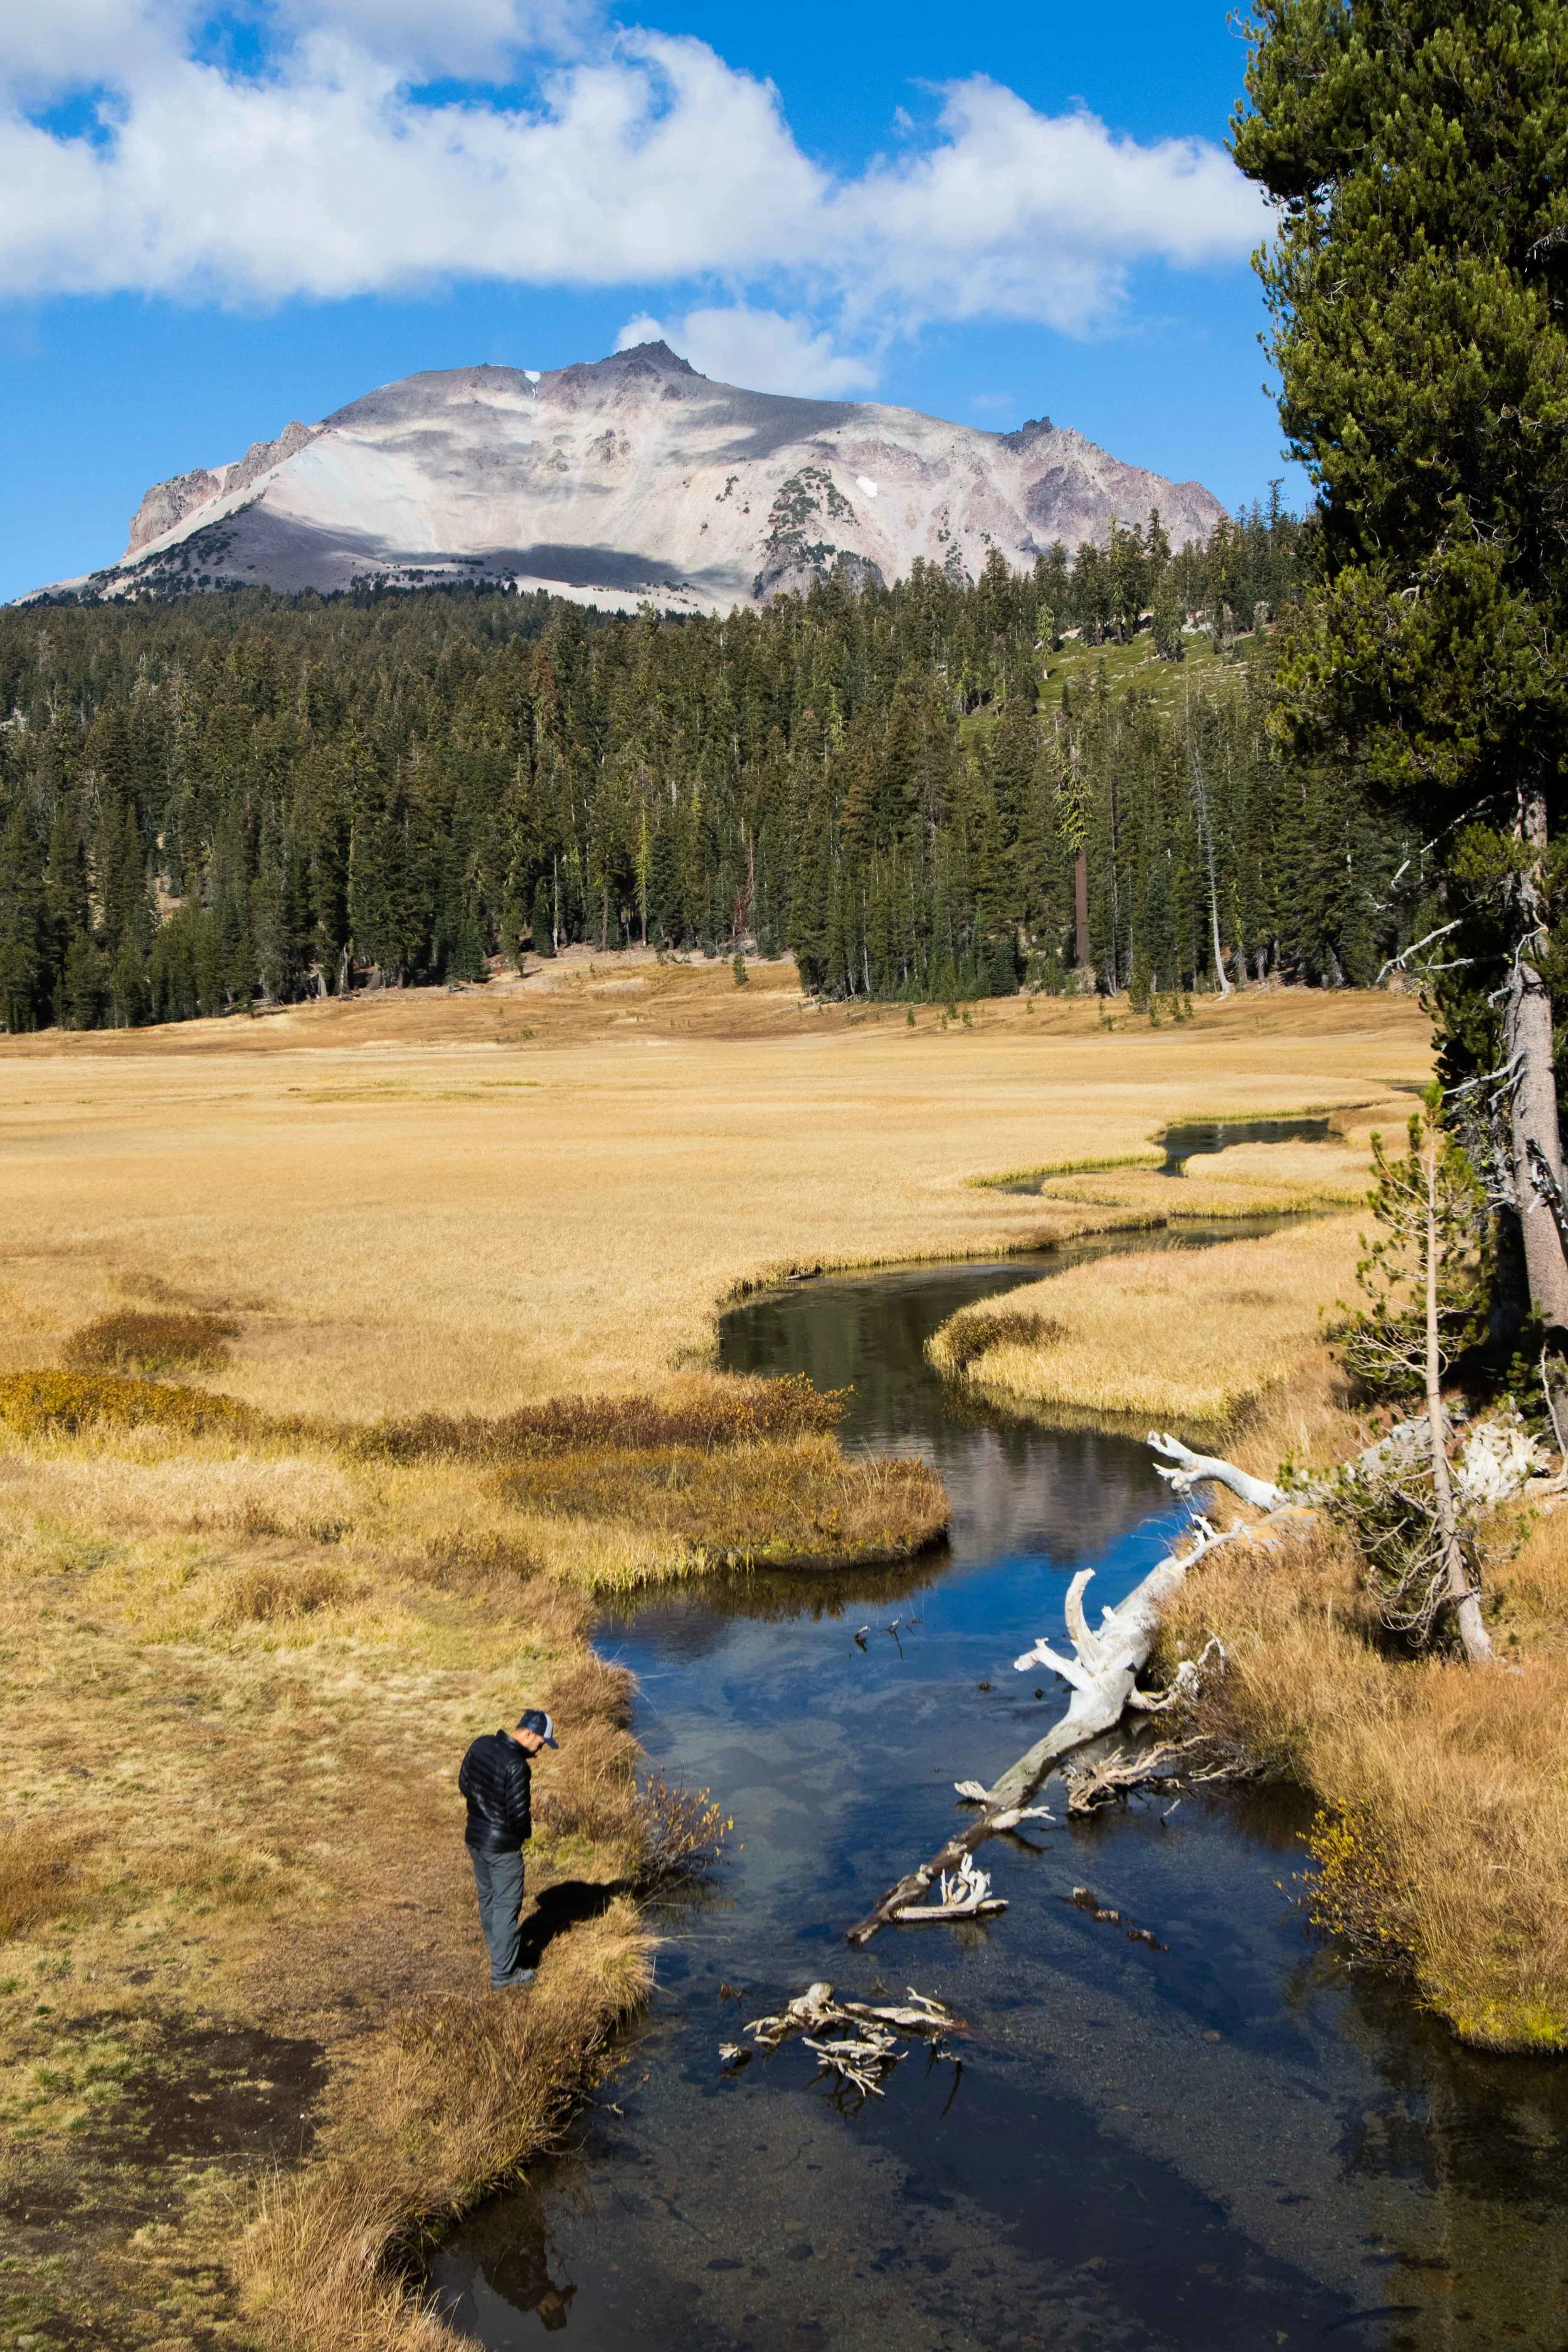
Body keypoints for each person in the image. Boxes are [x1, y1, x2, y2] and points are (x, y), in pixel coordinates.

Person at [458, 1708, 558, 1989]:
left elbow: (464, 1783)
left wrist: (482, 1810)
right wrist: (525, 1834)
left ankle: (500, 1954)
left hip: (475, 1837)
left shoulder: (481, 1744)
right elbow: (518, 1816)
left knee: (488, 1899)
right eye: (541, 1743)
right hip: (502, 1848)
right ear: (529, 1733)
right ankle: (504, 1974)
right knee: (506, 1906)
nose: (540, 1750)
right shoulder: (518, 1767)